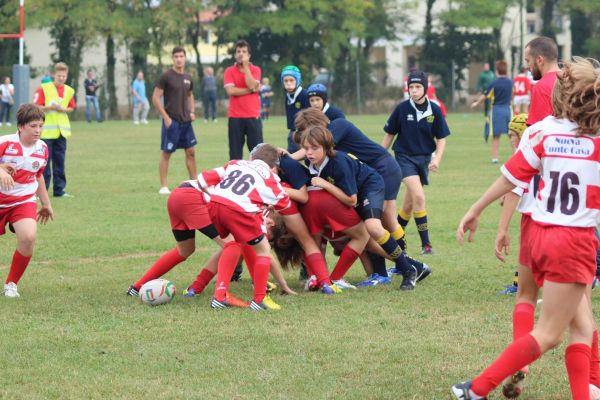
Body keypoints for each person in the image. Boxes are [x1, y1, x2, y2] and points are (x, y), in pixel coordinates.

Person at [453, 57, 600, 400]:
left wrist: (476, 209)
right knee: (550, 333)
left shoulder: (543, 131)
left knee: (583, 325)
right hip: (573, 240)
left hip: (537, 234)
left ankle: (586, 393)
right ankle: (475, 390)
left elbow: (512, 177)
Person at [196, 143, 290, 311]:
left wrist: (221, 196)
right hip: (237, 211)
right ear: (274, 165)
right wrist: (264, 205)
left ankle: (220, 295)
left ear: (252, 158)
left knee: (233, 244)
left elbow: (202, 179)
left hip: (214, 205)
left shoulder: (235, 163)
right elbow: (284, 201)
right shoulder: (270, 176)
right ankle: (259, 299)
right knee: (263, 249)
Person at [382, 70, 450, 255]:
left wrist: (437, 159)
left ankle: (395, 237)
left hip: (424, 160)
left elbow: (442, 138)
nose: (413, 90)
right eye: (411, 87)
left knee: (409, 205)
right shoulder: (402, 109)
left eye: (418, 87)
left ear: (425, 88)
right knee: (419, 197)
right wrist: (379, 155)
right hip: (404, 158)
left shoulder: (434, 110)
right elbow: (390, 134)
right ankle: (426, 245)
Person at [0, 104, 53, 298]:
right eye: (33, 126)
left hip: (23, 200)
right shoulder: (5, 142)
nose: (38, 130)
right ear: (21, 126)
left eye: (40, 125)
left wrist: (46, 203)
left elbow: (38, 176)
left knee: (28, 237)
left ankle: (11, 284)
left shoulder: (43, 148)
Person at [152, 46, 198, 195]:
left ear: (185, 58)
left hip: (186, 122)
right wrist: (166, 117)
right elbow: (155, 97)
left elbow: (190, 95)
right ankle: (164, 186)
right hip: (172, 122)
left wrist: (192, 111)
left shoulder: (188, 77)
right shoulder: (166, 77)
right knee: (167, 153)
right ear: (172, 58)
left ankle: (195, 183)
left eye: (181, 56)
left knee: (191, 152)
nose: (179, 59)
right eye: (176, 56)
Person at [33, 62, 75, 198]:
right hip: (46, 133)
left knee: (60, 162)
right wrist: (48, 108)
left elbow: (71, 107)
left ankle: (59, 190)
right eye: (59, 76)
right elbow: (35, 106)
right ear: (53, 75)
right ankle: (41, 191)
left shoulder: (69, 90)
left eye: (64, 76)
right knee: (43, 164)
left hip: (61, 132)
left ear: (67, 76)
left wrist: (64, 109)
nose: (61, 78)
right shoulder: (44, 88)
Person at [223, 39, 262, 160]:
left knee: (258, 153)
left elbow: (251, 84)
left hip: (253, 116)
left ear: (249, 55)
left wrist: (246, 67)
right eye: (238, 51)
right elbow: (231, 91)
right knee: (235, 154)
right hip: (235, 117)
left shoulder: (256, 70)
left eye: (244, 51)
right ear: (235, 55)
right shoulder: (229, 71)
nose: (241, 54)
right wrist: (251, 90)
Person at [471, 60, 513, 164]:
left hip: (497, 110)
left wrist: (476, 104)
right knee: (512, 135)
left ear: (497, 71)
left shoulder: (493, 83)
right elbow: (514, 95)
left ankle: (495, 158)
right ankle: (516, 156)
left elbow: (484, 96)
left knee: (496, 135)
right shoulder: (511, 82)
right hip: (508, 109)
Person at [525, 36, 561, 126]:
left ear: (540, 60)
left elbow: (538, 130)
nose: (527, 66)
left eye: (528, 61)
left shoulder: (541, 87)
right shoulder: (573, 80)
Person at [281, 65, 309, 152]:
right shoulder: (288, 96)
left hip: (305, 132)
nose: (288, 83)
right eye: (285, 80)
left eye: (291, 80)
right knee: (292, 160)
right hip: (293, 132)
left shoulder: (305, 94)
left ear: (298, 80)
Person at [475, 63, 496, 142]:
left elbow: (495, 81)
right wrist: (479, 90)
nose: (487, 67)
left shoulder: (492, 74)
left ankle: (490, 114)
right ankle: (486, 115)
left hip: (493, 92)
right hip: (485, 92)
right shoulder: (482, 75)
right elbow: (479, 83)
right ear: (484, 67)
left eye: (488, 66)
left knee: (492, 103)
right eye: (485, 66)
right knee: (486, 104)